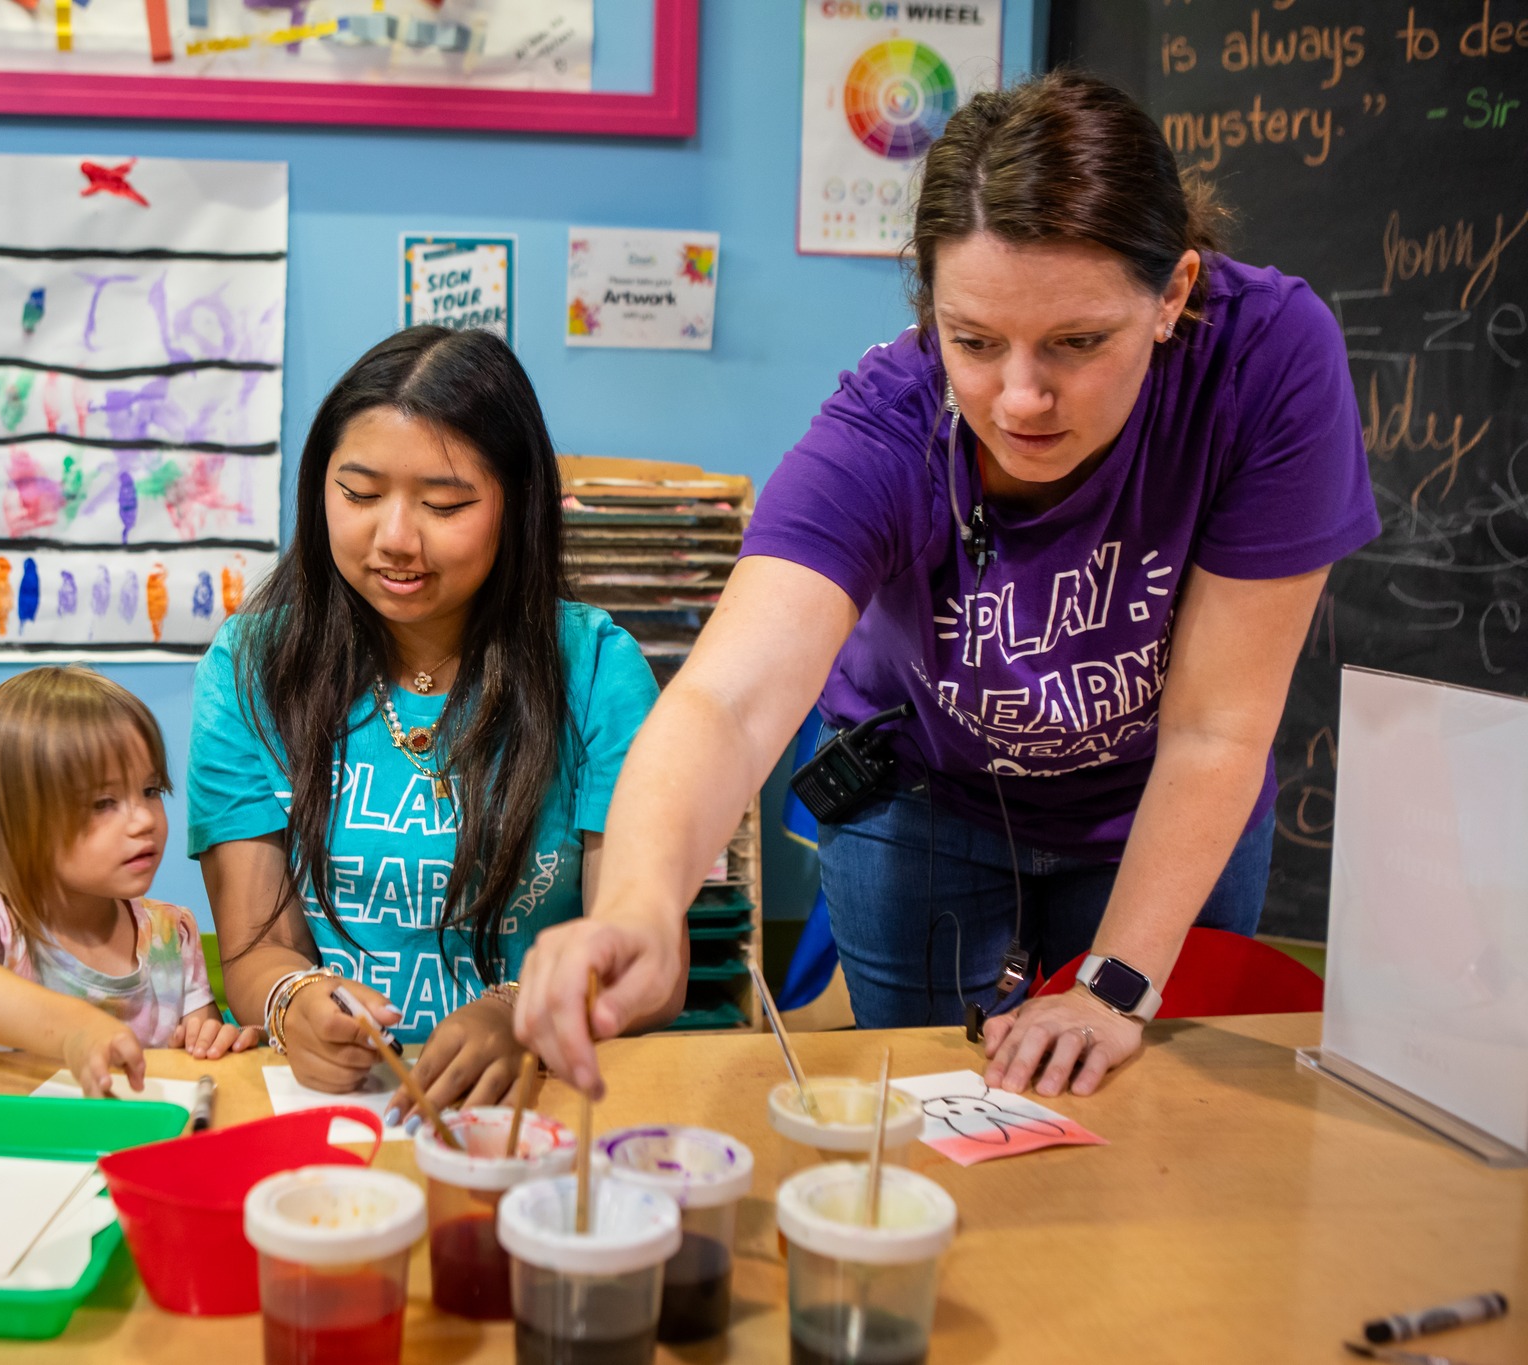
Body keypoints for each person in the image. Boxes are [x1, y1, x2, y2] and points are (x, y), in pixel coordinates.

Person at [515, 72, 1380, 1101]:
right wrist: (637, 906)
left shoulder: (1266, 361)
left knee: (1136, 1113)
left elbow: (1215, 729)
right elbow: (726, 699)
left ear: (1173, 294)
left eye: (1076, 342)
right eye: (971, 342)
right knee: (927, 1105)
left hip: (1162, 805)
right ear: (929, 308)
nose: (1019, 397)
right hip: (925, 800)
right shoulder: (885, 428)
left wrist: (1110, 987)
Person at [188, 325, 664, 1120]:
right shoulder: (252, 666)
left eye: (445, 505)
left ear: (517, 502)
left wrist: (523, 1011)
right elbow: (254, 947)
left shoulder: (594, 670)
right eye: (360, 494)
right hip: (342, 1110)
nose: (395, 539)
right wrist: (292, 998)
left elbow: (649, 955)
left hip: (552, 1107)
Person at [0, 666, 253, 1096]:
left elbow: (200, 1061)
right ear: (11, 822)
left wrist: (212, 1041)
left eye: (151, 791)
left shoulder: (172, 937)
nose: (144, 820)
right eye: (103, 803)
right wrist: (74, 1028)